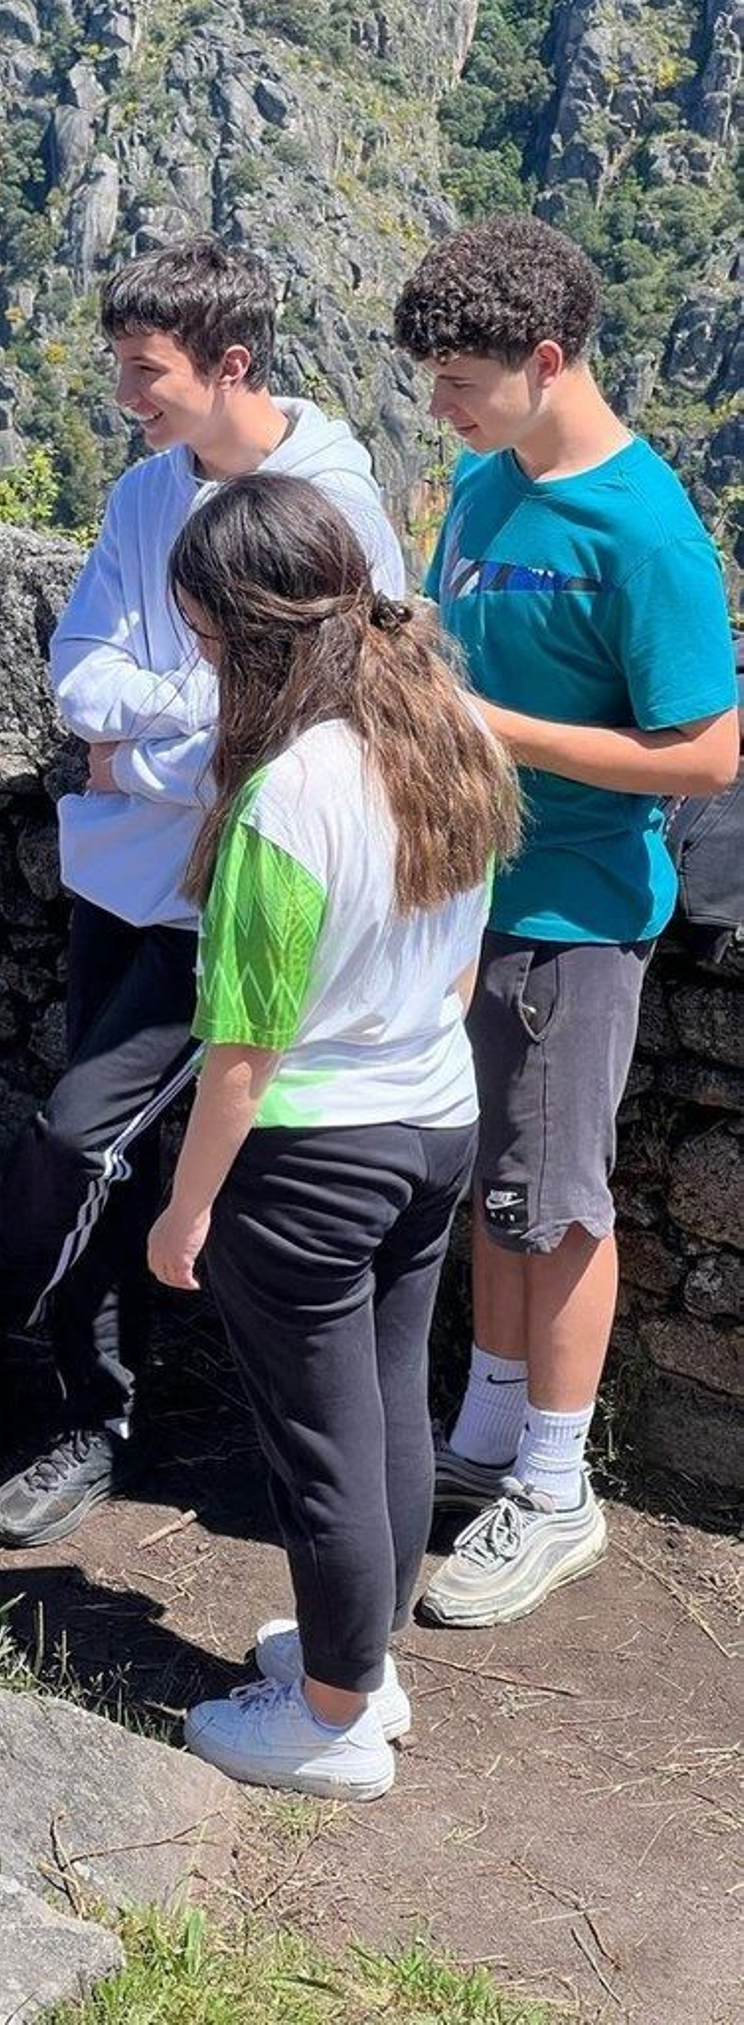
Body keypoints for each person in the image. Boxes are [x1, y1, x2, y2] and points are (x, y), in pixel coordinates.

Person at [0, 236, 407, 1550]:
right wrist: (183, 721)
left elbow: (322, 726)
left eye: (146, 372)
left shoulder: (331, 509)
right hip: (118, 880)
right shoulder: (148, 493)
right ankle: (92, 1410)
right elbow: (77, 676)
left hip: (227, 901)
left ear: (230, 364)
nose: (125, 396)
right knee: (103, 1155)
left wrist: (141, 755)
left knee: (79, 1137)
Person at [144, 471, 519, 1798]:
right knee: (390, 1404)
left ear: (247, 631)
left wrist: (186, 1209)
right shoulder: (450, 730)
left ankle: (332, 1717)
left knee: (320, 1444)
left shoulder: (289, 794)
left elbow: (244, 1051)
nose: (197, 655)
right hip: (433, 1119)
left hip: (309, 1154)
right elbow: (464, 959)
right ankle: (365, 1661)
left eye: (201, 632)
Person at [394, 218, 739, 1626]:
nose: (442, 406)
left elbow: (706, 754)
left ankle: (555, 1487)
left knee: (560, 1207)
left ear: (546, 360)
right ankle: (486, 1433)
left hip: (576, 915)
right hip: (468, 893)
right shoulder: (485, 484)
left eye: (461, 380)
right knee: (497, 1183)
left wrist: (501, 732)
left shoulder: (645, 530)